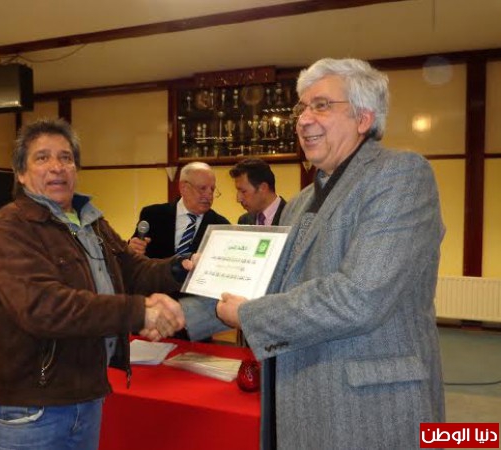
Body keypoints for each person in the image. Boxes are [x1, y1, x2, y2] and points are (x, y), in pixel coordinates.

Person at [180, 58, 445, 449]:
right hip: (300, 395)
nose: (303, 119)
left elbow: (359, 297)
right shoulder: (303, 200)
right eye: (301, 108)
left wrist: (247, 315)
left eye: (321, 105)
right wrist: (185, 310)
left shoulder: (400, 175)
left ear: (364, 118)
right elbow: (271, 280)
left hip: (370, 409)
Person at [0, 118, 186, 450]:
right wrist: (139, 311)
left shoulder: (91, 221)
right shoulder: (9, 226)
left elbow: (132, 272)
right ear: (21, 173)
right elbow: (43, 306)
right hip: (32, 410)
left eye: (66, 157)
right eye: (42, 157)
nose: (57, 167)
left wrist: (179, 268)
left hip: (87, 395)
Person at [128, 161, 229, 258]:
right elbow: (134, 251)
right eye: (202, 188)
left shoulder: (221, 226)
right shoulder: (153, 215)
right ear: (184, 188)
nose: (209, 195)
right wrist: (132, 249)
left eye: (212, 189)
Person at [229, 158, 286, 227]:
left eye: (243, 191)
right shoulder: (244, 221)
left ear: (263, 188)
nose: (238, 199)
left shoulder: (292, 217)